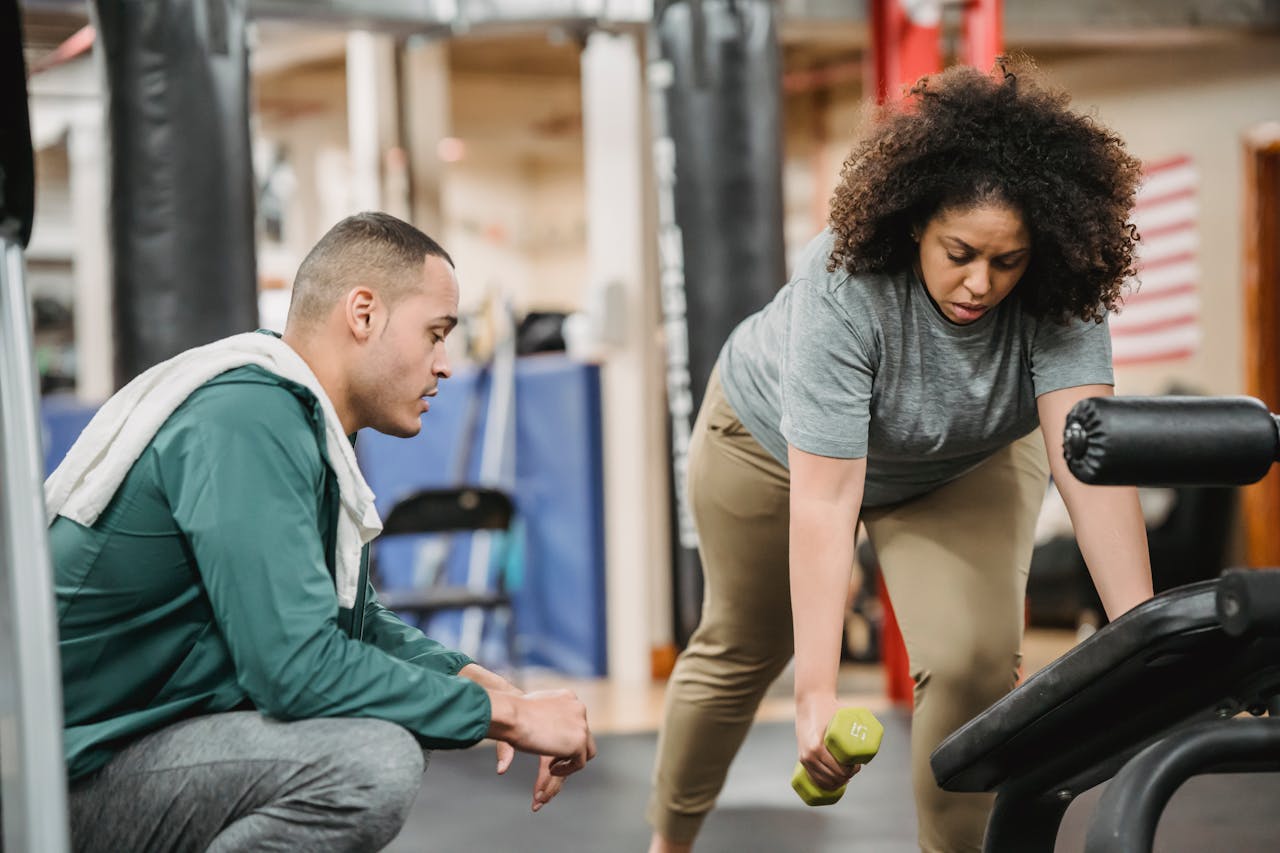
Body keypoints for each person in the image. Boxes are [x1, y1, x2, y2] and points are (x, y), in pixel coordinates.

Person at [646, 59, 1154, 853]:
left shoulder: (1062, 287)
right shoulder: (846, 280)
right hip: (773, 448)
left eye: (1006, 261)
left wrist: (1141, 641)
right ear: (918, 220)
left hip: (962, 459)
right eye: (959, 252)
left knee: (974, 662)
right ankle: (668, 839)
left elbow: (1088, 461)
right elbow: (827, 496)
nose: (979, 283)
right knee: (747, 643)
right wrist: (815, 692)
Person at [50, 212, 596, 853]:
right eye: (435, 334)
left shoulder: (293, 416)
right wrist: (512, 716)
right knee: (368, 762)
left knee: (376, 741)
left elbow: (348, 622)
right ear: (363, 314)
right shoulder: (249, 416)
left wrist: (472, 679)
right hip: (56, 777)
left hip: (118, 751)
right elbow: (297, 672)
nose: (445, 365)